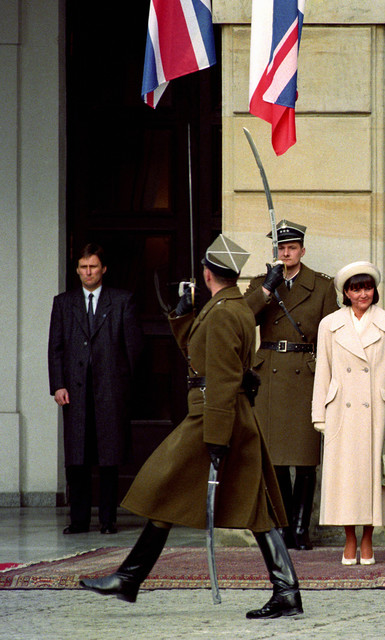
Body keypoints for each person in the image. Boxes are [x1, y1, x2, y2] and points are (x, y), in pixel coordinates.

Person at [79, 235, 302, 619]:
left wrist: (216, 438)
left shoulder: (222, 313)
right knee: (205, 498)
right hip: (225, 416)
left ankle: (286, 592)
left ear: (207, 272)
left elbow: (220, 377)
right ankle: (130, 578)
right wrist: (183, 315)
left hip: (214, 417)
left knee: (170, 485)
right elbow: (201, 354)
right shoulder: (228, 306)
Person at [244, 220, 338, 550]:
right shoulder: (261, 284)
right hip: (269, 372)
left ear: (302, 250)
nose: (287, 253)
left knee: (305, 456)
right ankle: (283, 526)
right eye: (281, 249)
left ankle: (301, 527)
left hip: (306, 372)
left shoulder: (323, 286)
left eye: (292, 248)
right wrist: (267, 290)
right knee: (277, 458)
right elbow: (241, 320)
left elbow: (332, 334)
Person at [311, 261, 385, 566]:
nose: (362, 293)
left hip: (376, 409)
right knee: (345, 479)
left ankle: (368, 538)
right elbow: (322, 372)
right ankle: (349, 538)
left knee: (373, 479)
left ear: (374, 290)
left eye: (367, 287)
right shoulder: (329, 324)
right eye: (355, 288)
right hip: (341, 409)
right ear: (345, 293)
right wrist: (319, 414)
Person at [48, 243, 142, 535]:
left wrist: (125, 387)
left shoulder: (122, 300)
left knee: (108, 456)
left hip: (109, 390)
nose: (88, 272)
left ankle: (107, 519)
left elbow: (134, 349)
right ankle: (78, 520)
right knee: (77, 457)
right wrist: (58, 385)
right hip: (74, 390)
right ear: (77, 270)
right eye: (83, 267)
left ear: (103, 269)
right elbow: (56, 348)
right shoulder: (64, 302)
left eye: (93, 266)